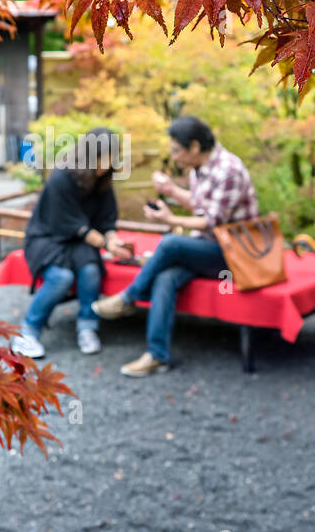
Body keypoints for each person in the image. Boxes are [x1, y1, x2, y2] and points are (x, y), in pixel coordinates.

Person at [93, 115, 258, 377]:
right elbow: (201, 204)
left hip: (235, 255)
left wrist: (169, 219)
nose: (174, 155)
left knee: (170, 243)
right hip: (207, 248)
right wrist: (171, 191)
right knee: (166, 278)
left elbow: (213, 220)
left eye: (176, 149)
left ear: (194, 147)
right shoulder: (199, 168)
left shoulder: (229, 170)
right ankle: (158, 356)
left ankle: (128, 298)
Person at [12, 127, 133, 358]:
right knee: (61, 277)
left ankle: (87, 326)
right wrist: (105, 244)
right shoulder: (62, 177)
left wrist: (113, 240)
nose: (107, 163)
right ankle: (28, 332)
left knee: (90, 271)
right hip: (47, 237)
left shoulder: (103, 181)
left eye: (111, 157)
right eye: (103, 157)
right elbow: (71, 224)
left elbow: (107, 221)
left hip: (78, 241)